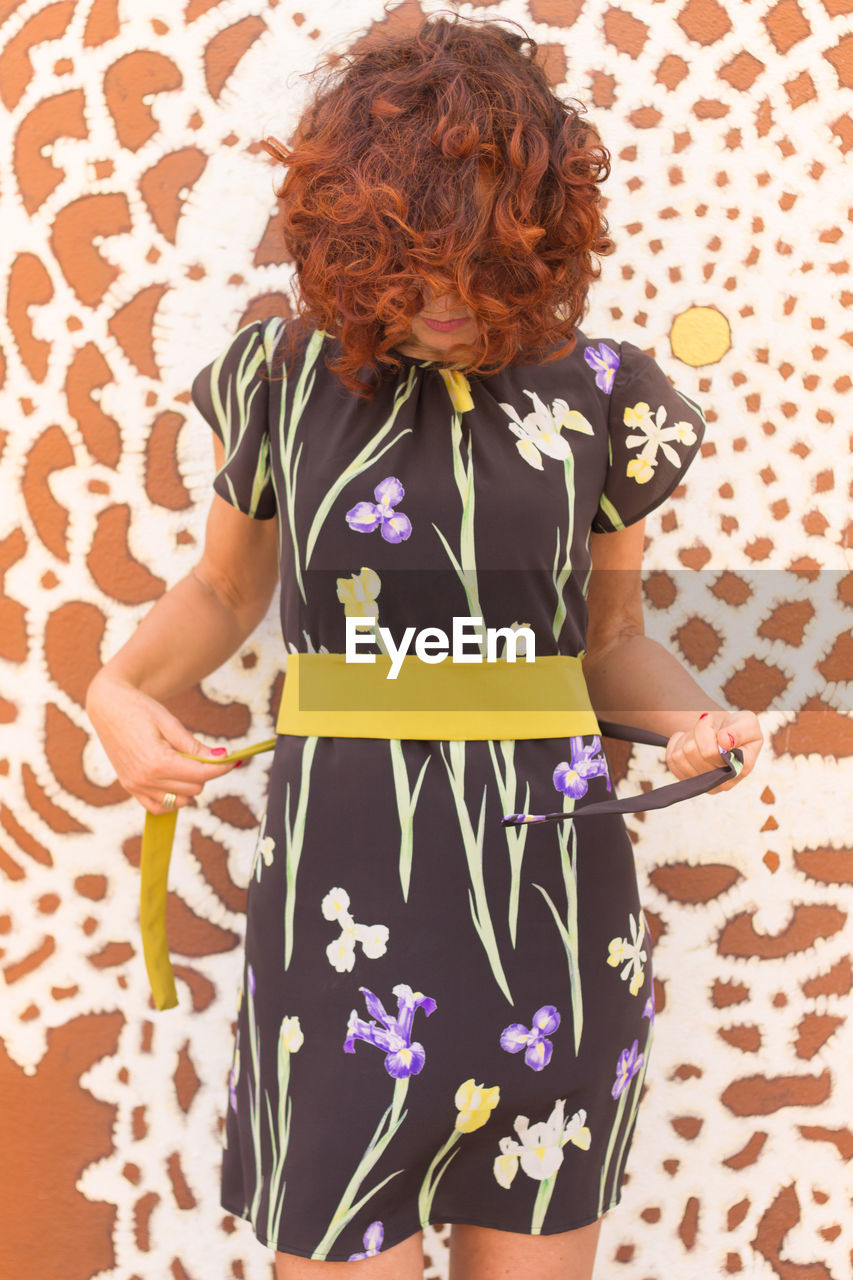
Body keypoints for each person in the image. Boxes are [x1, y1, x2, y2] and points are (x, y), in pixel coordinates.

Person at [86, 13, 763, 1280]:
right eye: (412, 262)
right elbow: (224, 593)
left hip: (554, 907)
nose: (449, 299)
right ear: (346, 234)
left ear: (543, 234)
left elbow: (608, 641)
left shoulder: (603, 395)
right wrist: (115, 691)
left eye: (484, 261)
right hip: (344, 912)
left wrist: (695, 723)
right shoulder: (281, 375)